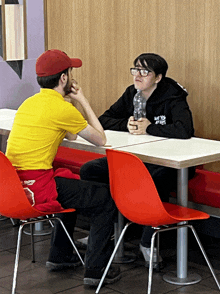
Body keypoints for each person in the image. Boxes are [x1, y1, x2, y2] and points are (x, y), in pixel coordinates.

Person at [5, 49, 121, 286]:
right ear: (64, 78)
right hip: (37, 189)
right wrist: (83, 100)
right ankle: (97, 270)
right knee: (106, 199)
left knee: (70, 186)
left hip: (13, 188)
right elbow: (101, 139)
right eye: (70, 71)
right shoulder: (61, 108)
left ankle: (61, 256)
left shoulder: (29, 103)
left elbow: (71, 135)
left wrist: (69, 104)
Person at [80, 53, 195, 268]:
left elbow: (185, 129)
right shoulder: (132, 93)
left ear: (158, 77)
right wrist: (127, 124)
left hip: (172, 164)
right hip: (140, 158)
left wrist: (149, 127)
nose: (137, 76)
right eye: (135, 70)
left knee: (155, 178)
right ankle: (108, 230)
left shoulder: (173, 96)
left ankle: (147, 242)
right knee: (90, 170)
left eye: (144, 71)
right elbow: (105, 119)